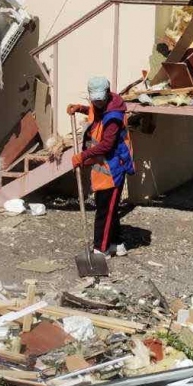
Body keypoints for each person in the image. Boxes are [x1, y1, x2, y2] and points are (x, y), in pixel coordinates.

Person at [67, 75, 135, 254]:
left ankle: (101, 249)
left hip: (114, 168)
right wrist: (80, 108)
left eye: (100, 100)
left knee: (104, 213)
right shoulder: (102, 105)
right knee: (108, 208)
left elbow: (107, 145)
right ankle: (116, 244)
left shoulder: (113, 116)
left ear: (107, 94)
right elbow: (94, 114)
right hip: (103, 167)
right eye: (94, 100)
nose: (97, 103)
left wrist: (82, 156)